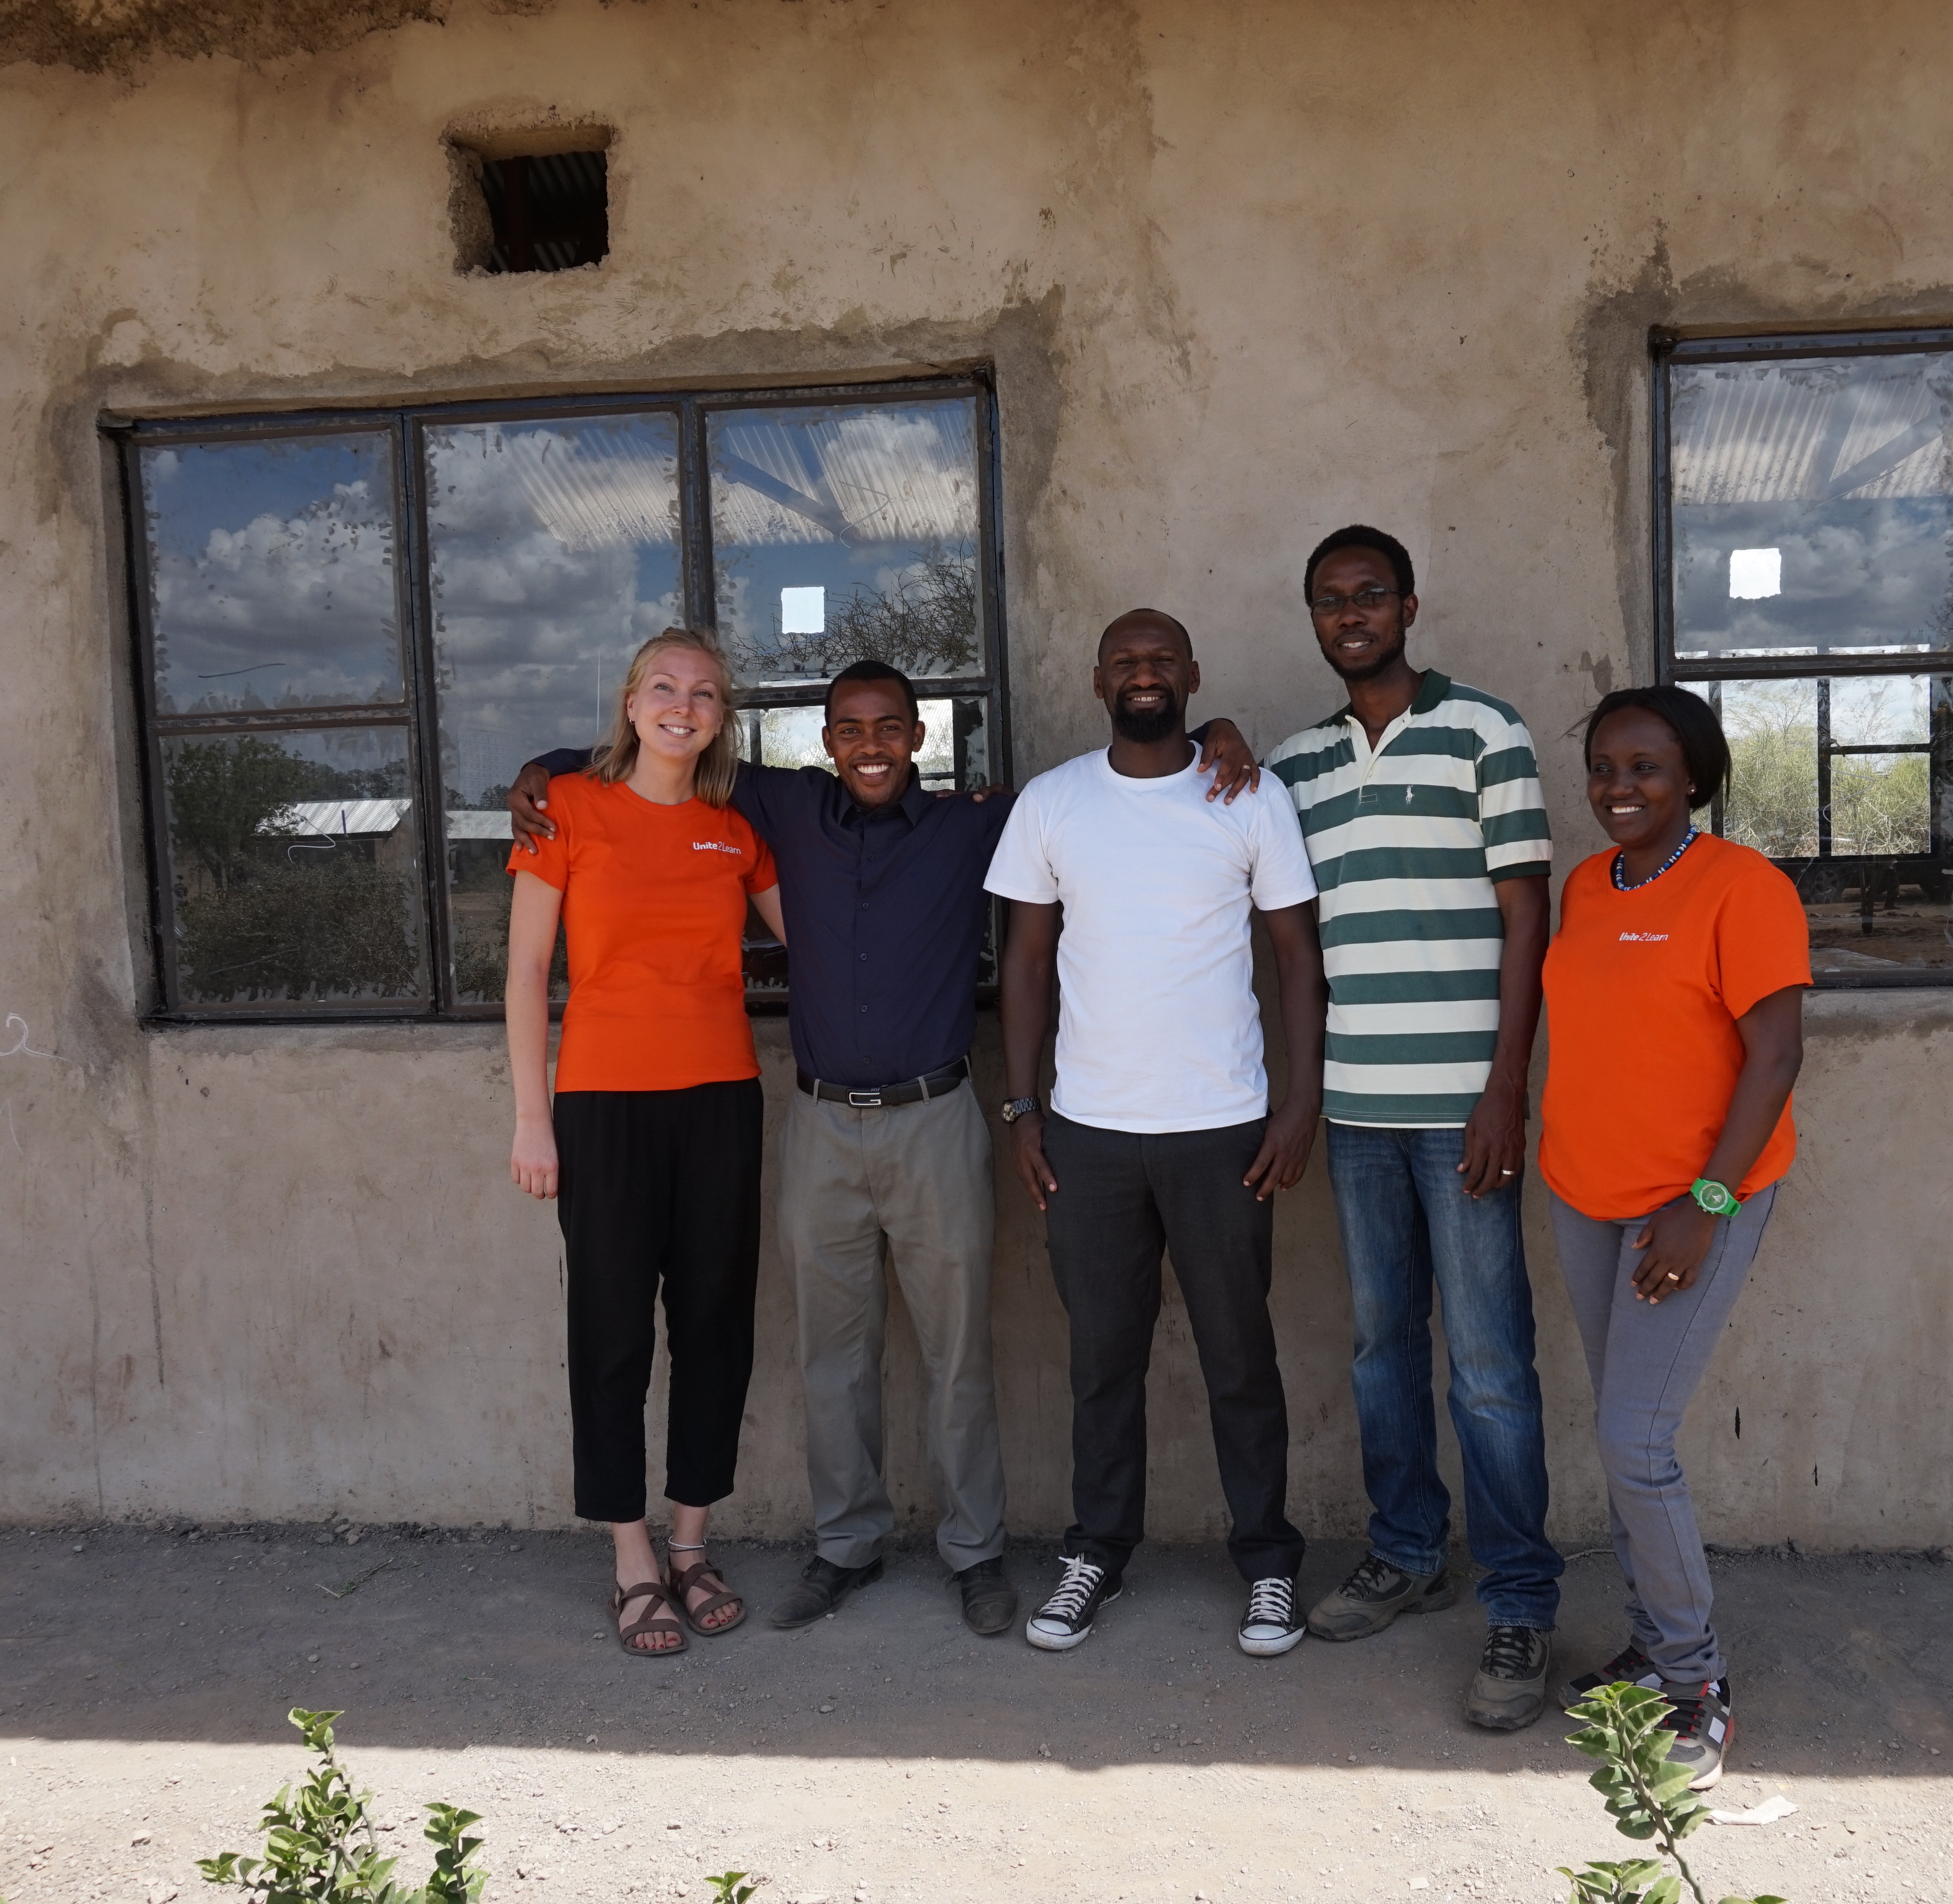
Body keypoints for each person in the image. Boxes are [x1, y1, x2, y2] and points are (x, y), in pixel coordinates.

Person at [509, 662, 1261, 1638]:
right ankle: (845, 1547)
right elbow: (664, 744)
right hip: (821, 1125)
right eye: (851, 729)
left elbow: (1112, 786)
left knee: (958, 1353)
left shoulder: (976, 822)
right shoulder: (781, 806)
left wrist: (1210, 739)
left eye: (890, 727)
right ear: (826, 741)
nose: (871, 746)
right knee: (833, 1355)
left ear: (919, 736)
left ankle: (975, 1553)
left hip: (935, 1117)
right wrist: (542, 764)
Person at [1260, 525, 1566, 1730]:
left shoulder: (1485, 732)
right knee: (1382, 1347)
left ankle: (1520, 1600)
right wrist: (1222, 741)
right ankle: (1406, 1548)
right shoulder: (1294, 766)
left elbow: (1527, 917)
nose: (1351, 614)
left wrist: (1505, 1086)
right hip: (1355, 1111)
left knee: (1487, 1366)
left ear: (1408, 606)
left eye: (1370, 594)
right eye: (1330, 600)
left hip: (1461, 1112)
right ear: (1314, 618)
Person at [986, 609, 1326, 1657]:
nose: (1144, 674)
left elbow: (1297, 958)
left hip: (1222, 1132)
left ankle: (1268, 1564)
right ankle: (1097, 1551)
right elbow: (1025, 964)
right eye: (1126, 661)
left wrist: (1300, 1102)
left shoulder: (1249, 795)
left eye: (1162, 659)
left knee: (1240, 1359)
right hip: (1087, 1136)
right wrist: (1023, 1108)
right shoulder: (1053, 802)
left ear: (1192, 674)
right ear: (1098, 681)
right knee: (1102, 1362)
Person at [1539, 685, 1810, 1790]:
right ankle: (1653, 1649)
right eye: (1605, 767)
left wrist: (1707, 1203)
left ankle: (1697, 1681)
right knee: (1623, 1438)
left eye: (1645, 767)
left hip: (1691, 1206)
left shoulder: (1744, 888)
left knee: (1634, 1442)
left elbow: (1776, 1056)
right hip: (1586, 1195)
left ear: (1692, 778)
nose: (1620, 787)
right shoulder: (1586, 886)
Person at [504, 628, 782, 1658]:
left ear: (721, 717)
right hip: (602, 1105)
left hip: (722, 1100)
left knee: (714, 1326)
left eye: (703, 693)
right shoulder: (566, 809)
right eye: (663, 687)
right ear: (630, 703)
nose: (682, 705)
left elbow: (823, 938)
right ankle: (630, 1556)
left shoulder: (735, 829)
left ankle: (691, 1543)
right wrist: (533, 1118)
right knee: (612, 1330)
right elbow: (526, 975)